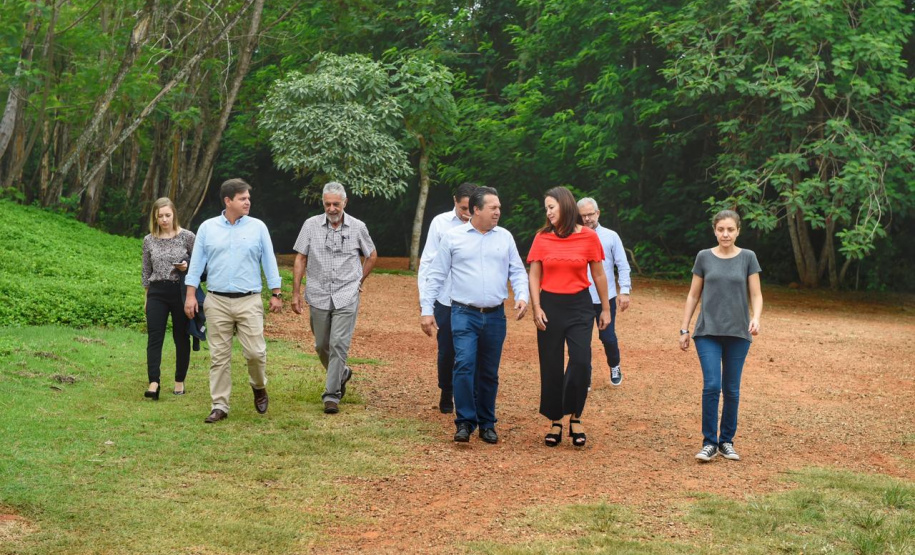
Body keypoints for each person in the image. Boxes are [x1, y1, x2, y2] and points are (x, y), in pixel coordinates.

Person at [419, 186, 529, 444]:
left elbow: (517, 270)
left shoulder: (505, 237)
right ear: (476, 210)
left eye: (499, 208)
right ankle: (465, 422)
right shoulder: (454, 237)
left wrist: (522, 295)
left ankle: (487, 423)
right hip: (463, 312)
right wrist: (427, 310)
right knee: (465, 365)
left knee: (489, 371)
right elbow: (435, 275)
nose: (498, 212)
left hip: (494, 316)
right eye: (493, 208)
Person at [184, 179, 283, 423]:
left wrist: (276, 292)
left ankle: (259, 386)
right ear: (228, 201)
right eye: (242, 198)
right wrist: (190, 294)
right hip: (216, 300)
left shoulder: (258, 227)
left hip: (249, 300)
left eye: (248, 198)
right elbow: (196, 263)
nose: (248, 202)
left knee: (255, 353)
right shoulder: (207, 228)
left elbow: (269, 260)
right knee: (219, 356)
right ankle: (219, 405)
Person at [528, 187, 610, 448]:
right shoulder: (542, 238)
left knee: (582, 361)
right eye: (546, 208)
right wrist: (536, 306)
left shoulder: (588, 237)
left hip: (579, 306)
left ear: (565, 205)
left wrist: (606, 308)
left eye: (551, 206)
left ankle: (576, 416)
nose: (548, 212)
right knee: (551, 364)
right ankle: (555, 420)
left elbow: (598, 274)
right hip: (550, 305)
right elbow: (534, 275)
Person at [679, 209, 763, 462]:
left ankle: (727, 441)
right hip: (707, 332)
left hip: (738, 332)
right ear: (714, 230)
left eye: (730, 229)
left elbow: (756, 294)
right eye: (720, 229)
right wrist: (684, 329)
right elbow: (693, 295)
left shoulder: (748, 257)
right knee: (712, 385)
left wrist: (756, 317)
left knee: (732, 389)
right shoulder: (704, 257)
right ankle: (709, 443)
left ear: (738, 231)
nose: (725, 234)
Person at [292, 182, 378, 415]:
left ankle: (331, 395)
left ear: (345, 203)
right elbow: (300, 258)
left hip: (346, 293)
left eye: (336, 204)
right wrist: (296, 292)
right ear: (323, 203)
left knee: (339, 344)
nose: (331, 208)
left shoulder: (358, 227)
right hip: (318, 293)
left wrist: (359, 281)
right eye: (327, 204)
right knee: (322, 344)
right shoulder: (310, 225)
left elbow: (371, 255)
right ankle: (342, 373)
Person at [416, 182, 478, 413]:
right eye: (463, 208)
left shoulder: (483, 225)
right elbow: (428, 263)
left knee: (471, 351)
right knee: (447, 351)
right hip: (445, 299)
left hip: (472, 300)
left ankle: (471, 396)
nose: (467, 214)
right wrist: (426, 304)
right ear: (455, 201)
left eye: (470, 209)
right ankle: (446, 388)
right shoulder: (440, 223)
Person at [141, 197, 195, 399]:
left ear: (174, 215)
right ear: (155, 217)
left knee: (181, 337)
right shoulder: (149, 240)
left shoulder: (187, 237)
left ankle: (179, 380)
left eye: (167, 215)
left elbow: (201, 265)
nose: (164, 220)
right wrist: (147, 298)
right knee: (155, 337)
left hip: (180, 291)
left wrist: (187, 267)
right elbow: (146, 271)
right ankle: (153, 382)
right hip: (156, 291)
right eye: (160, 216)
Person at [577, 197, 631, 386]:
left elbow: (622, 265)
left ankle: (614, 365)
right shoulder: (574, 236)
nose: (587, 219)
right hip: (580, 298)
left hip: (605, 298)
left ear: (598, 213)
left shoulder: (610, 236)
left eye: (590, 214)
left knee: (607, 337)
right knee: (581, 341)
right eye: (582, 215)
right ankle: (585, 375)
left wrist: (624, 290)